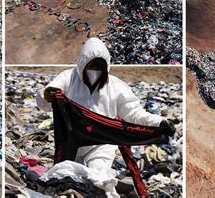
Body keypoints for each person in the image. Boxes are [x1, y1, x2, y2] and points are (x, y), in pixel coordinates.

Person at [36, 38, 176, 180]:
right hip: (72, 142)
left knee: (98, 178)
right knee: (66, 177)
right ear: (83, 63)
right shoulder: (69, 78)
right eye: (91, 66)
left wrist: (159, 123)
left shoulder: (115, 86)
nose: (94, 71)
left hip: (102, 143)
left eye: (98, 68)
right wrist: (47, 95)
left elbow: (134, 114)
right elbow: (47, 99)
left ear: (106, 67)